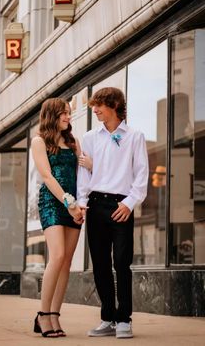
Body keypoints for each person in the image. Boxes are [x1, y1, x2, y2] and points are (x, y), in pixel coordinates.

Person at [77, 87, 149, 339]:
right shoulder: (89, 137)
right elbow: (84, 176)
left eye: (99, 105)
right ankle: (108, 317)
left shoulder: (135, 136)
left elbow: (141, 174)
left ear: (114, 105)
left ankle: (124, 319)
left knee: (121, 262)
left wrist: (129, 203)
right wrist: (81, 203)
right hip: (95, 205)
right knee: (100, 265)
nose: (95, 110)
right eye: (94, 106)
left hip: (121, 206)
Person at [31, 98, 89, 338]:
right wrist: (70, 203)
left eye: (69, 113)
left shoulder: (73, 142)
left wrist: (81, 204)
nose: (68, 117)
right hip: (53, 203)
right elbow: (47, 176)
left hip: (75, 206)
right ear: (52, 115)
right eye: (64, 113)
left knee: (67, 261)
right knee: (57, 256)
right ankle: (43, 314)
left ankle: (55, 314)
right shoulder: (39, 141)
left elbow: (82, 173)